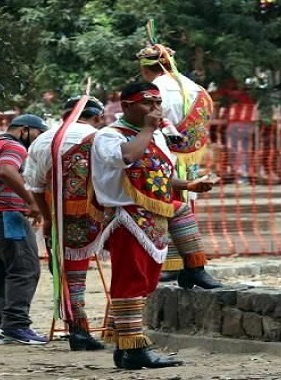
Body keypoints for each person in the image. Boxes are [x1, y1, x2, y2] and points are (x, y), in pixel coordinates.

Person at [91, 82, 217, 369]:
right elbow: (126, 157)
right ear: (126, 106)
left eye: (158, 103)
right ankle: (135, 349)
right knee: (130, 281)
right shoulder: (108, 136)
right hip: (126, 217)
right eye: (147, 103)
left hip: (153, 216)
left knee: (146, 282)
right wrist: (148, 130)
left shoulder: (157, 136)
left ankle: (126, 348)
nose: (155, 109)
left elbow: (157, 177)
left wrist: (188, 184)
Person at [136, 43, 222, 289]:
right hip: (188, 156)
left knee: (163, 207)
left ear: (144, 68)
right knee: (183, 207)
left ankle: (167, 264)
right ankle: (186, 265)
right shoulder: (196, 89)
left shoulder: (151, 91)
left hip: (159, 153)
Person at [24, 96, 106, 351]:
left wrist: (48, 219)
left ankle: (77, 327)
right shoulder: (101, 137)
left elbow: (34, 186)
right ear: (97, 117)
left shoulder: (42, 140)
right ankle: (124, 324)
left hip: (60, 217)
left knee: (70, 274)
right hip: (103, 214)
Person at [0, 114, 48, 345]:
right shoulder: (13, 146)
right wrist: (31, 202)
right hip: (8, 217)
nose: (38, 140)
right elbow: (7, 171)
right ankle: (16, 325)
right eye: (38, 134)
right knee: (25, 269)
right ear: (25, 129)